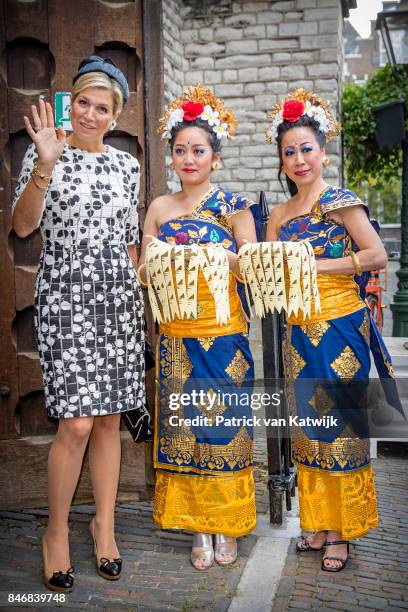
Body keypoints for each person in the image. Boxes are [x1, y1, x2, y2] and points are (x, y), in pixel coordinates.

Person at [12, 56, 147, 591]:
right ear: (72, 103)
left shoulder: (127, 167)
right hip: (66, 294)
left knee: (111, 419)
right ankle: (57, 533)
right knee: (77, 423)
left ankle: (105, 525)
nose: (91, 114)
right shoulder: (45, 151)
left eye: (103, 107)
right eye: (84, 103)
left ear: (115, 116)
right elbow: (23, 227)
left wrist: (149, 277)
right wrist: (44, 163)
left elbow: (130, 240)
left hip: (118, 297)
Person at [265, 89, 398, 572]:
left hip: (341, 327)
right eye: (289, 152)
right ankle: (316, 522)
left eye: (306, 149)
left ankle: (342, 532)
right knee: (308, 430)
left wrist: (314, 265)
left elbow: (376, 255)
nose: (299, 159)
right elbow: (270, 267)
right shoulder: (278, 216)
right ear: (281, 160)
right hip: (297, 331)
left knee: (341, 428)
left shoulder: (341, 201)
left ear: (323, 152)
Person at [137, 85, 257, 570]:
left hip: (224, 330)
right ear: (171, 157)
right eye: (180, 150)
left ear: (216, 158)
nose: (189, 158)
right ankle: (197, 526)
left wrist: (214, 254)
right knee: (186, 429)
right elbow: (144, 271)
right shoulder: (160, 208)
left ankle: (226, 523)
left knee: (223, 427)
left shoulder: (234, 206)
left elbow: (250, 265)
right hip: (177, 335)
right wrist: (164, 258)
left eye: (198, 150)